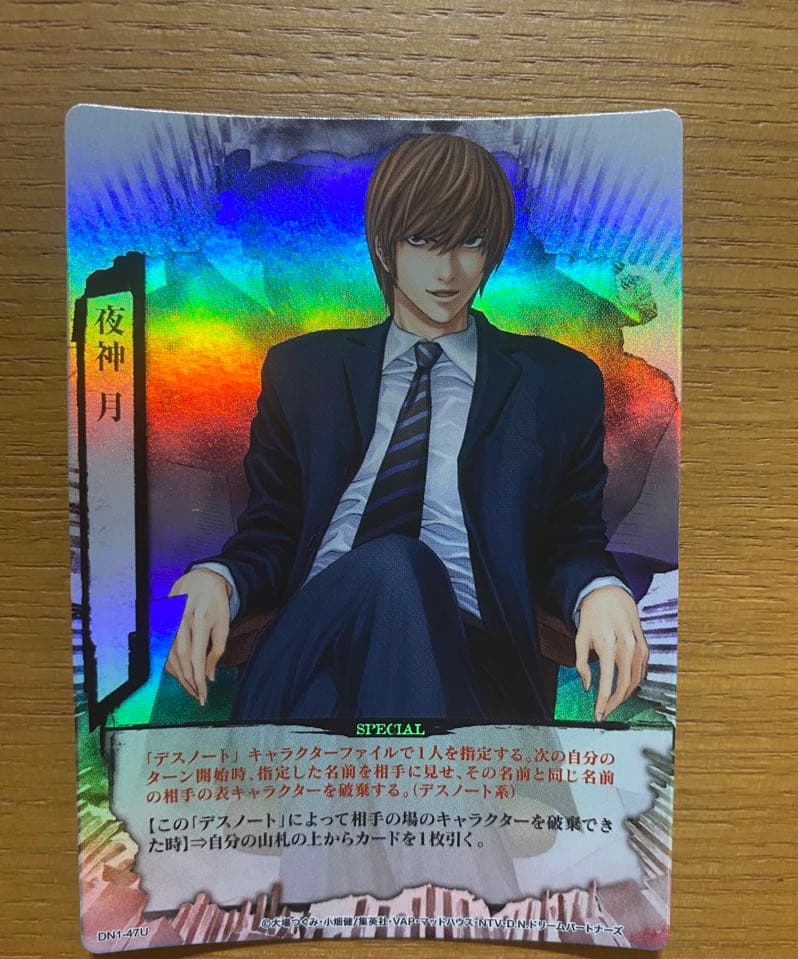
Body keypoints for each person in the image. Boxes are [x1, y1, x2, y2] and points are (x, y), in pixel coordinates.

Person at [165, 133, 648, 725]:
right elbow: (272, 533)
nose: (447, 270)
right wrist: (218, 579)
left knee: (398, 585)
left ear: (493, 248)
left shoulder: (557, 384)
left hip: (474, 660)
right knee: (396, 564)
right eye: (421, 240)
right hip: (312, 641)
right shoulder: (305, 371)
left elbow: (570, 540)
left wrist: (601, 590)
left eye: (470, 242)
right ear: (384, 245)